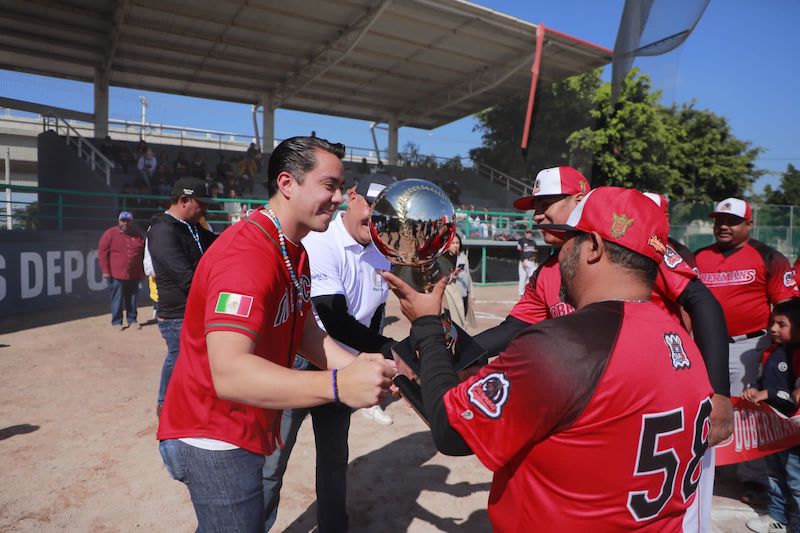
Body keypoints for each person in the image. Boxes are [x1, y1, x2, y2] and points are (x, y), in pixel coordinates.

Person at [383, 186, 713, 530]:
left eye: (571, 238)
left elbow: (453, 434)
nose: (562, 249)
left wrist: (426, 325)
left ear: (594, 247)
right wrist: (416, 382)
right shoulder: (685, 345)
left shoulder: (566, 344)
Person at [156, 136, 394, 532]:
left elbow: (304, 332)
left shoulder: (293, 249)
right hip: (215, 437)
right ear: (287, 184)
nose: (337, 198)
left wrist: (360, 368)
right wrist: (337, 385)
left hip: (244, 425)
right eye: (329, 185)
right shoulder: (247, 255)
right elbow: (230, 373)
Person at [473, 166, 731, 531]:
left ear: (580, 200)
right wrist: (449, 349)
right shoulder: (549, 271)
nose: (537, 214)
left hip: (662, 407)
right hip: (600, 413)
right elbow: (513, 329)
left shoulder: (628, 249)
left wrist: (720, 392)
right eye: (534, 205)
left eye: (547, 203)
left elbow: (702, 301)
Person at [262, 172, 398, 532]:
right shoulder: (322, 241)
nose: (376, 216)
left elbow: (373, 316)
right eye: (371, 205)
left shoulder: (383, 251)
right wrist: (391, 352)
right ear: (352, 197)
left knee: (335, 460)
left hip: (345, 365)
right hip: (304, 361)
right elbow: (333, 319)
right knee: (273, 460)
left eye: (385, 210)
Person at [695, 197, 799, 504]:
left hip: (750, 343)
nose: (723, 226)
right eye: (719, 220)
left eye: (732, 221)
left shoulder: (767, 256)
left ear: (748, 225)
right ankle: (702, 469)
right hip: (705, 343)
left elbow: (787, 306)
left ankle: (753, 480)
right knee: (702, 403)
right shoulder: (700, 256)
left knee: (747, 410)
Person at [147, 178, 218, 416]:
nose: (205, 209)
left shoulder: (193, 226)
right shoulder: (162, 231)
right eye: (201, 203)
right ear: (184, 200)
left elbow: (220, 245)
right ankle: (164, 403)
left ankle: (183, 403)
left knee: (194, 362)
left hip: (194, 310)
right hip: (177, 314)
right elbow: (185, 277)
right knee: (178, 358)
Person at [744, 299, 800, 533]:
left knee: (796, 480)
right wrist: (755, 390)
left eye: (781, 324)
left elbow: (795, 396)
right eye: (772, 323)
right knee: (775, 474)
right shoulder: (770, 351)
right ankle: (778, 516)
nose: (773, 329)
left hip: (794, 434)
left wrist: (773, 393)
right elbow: (762, 380)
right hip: (772, 427)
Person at [97, 211, 146, 330]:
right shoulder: (110, 234)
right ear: (119, 221)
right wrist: (105, 270)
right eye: (123, 220)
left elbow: (143, 254)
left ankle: (132, 319)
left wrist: (142, 271)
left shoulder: (138, 236)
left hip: (134, 274)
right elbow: (102, 252)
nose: (125, 223)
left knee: (133, 298)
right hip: (116, 274)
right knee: (117, 299)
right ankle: (117, 322)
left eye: (128, 220)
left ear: (131, 221)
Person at [442, 231, 475, 330]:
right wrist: (452, 275)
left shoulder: (463, 257)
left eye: (457, 243)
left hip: (463, 293)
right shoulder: (444, 258)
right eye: (453, 243)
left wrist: (471, 293)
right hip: (452, 293)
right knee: (454, 321)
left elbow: (468, 275)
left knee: (463, 318)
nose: (455, 245)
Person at [516, 228, 537, 296]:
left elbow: (535, 253)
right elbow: (520, 251)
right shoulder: (521, 241)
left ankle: (527, 292)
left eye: (530, 233)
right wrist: (522, 260)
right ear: (525, 233)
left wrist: (536, 262)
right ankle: (521, 293)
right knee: (522, 278)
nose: (528, 234)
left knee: (531, 278)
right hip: (525, 261)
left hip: (532, 262)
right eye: (527, 233)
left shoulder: (533, 242)